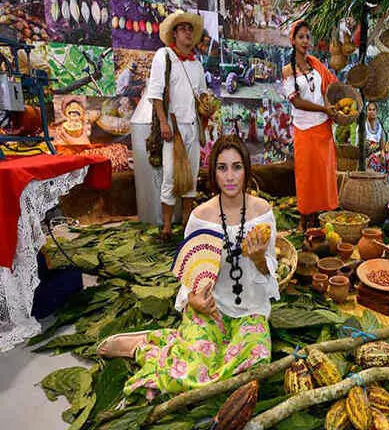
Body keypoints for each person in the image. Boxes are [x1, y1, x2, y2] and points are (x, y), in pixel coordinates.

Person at [97, 135, 279, 400]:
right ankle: (143, 347)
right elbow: (190, 276)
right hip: (211, 310)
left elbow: (271, 273)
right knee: (192, 372)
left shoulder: (261, 212)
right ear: (213, 172)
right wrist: (195, 300)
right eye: (222, 167)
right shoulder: (200, 217)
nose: (229, 176)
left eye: (237, 167)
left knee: (254, 367)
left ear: (247, 170)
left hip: (250, 312)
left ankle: (172, 341)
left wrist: (259, 258)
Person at [147, 11, 208, 241]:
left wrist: (207, 112)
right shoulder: (164, 56)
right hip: (173, 127)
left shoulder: (197, 66)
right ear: (174, 33)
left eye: (191, 29)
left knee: (191, 177)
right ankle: (165, 229)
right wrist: (163, 122)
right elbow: (155, 94)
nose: (188, 33)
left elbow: (203, 97)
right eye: (183, 29)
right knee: (171, 177)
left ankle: (187, 227)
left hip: (193, 126)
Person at [282, 19, 339, 230]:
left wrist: (331, 107)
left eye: (307, 36)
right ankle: (305, 219)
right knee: (306, 176)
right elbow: (295, 101)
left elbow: (328, 88)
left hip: (323, 128)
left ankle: (318, 220)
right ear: (293, 41)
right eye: (301, 37)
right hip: (304, 130)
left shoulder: (316, 64)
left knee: (323, 175)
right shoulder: (288, 70)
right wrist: (324, 109)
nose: (306, 41)